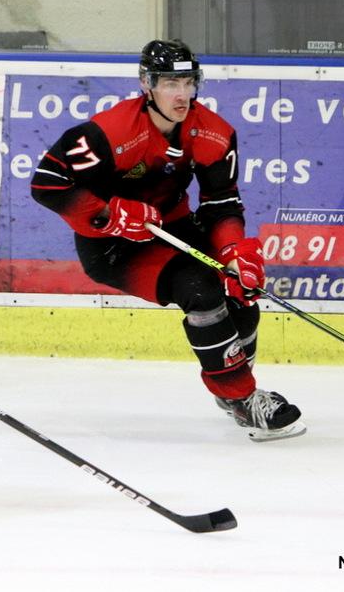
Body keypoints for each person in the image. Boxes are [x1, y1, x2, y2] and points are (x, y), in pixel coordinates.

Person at [31, 39, 304, 441]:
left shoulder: (213, 132)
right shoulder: (110, 132)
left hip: (173, 228)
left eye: (188, 82)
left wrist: (232, 252)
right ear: (147, 83)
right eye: (170, 83)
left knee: (240, 290)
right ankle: (243, 399)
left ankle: (233, 387)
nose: (182, 94)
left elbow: (221, 203)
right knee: (201, 289)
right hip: (114, 246)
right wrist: (108, 213)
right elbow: (47, 183)